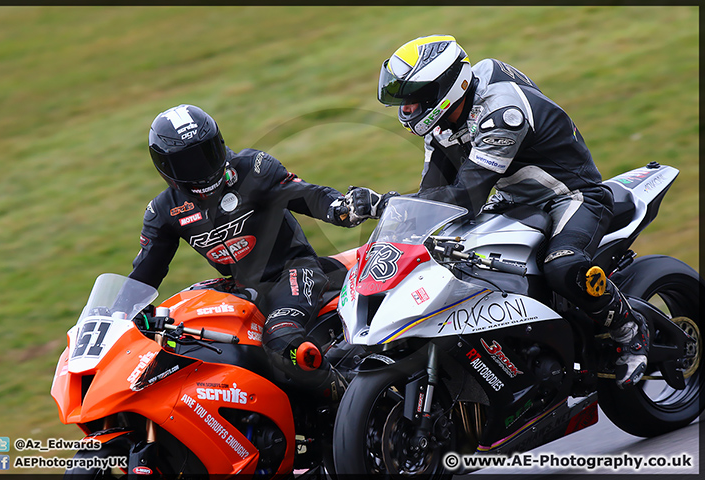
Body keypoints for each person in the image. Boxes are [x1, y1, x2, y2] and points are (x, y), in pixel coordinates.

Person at [347, 35, 648, 389]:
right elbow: (431, 199)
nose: (408, 109)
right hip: (512, 201)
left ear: (444, 88)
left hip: (570, 195)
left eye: (414, 99)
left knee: (562, 264)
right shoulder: (442, 123)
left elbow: (465, 196)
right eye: (404, 101)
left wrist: (382, 203)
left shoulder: (502, 113)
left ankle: (629, 330)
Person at [130, 104, 353, 401]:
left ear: (219, 144)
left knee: (282, 337)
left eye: (206, 154)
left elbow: (309, 196)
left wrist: (342, 208)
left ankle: (353, 398)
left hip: (295, 270)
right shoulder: (164, 210)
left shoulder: (254, 168)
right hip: (243, 289)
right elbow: (144, 274)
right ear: (166, 169)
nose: (203, 169)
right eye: (187, 163)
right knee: (192, 344)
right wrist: (118, 314)